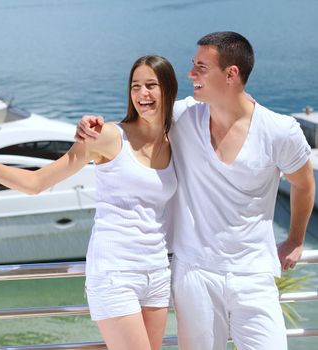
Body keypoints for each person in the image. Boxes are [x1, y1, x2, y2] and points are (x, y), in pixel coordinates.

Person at [75, 31, 315, 350]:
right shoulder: (184, 116)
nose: (191, 74)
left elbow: (303, 183)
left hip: (254, 274)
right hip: (194, 273)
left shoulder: (279, 131)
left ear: (231, 74)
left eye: (201, 67)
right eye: (193, 64)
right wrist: (93, 125)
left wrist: (296, 240)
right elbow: (137, 122)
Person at [0, 55, 178, 350]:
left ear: (168, 90)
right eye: (136, 86)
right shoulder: (108, 137)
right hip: (115, 272)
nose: (142, 94)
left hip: (157, 271)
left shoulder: (174, 140)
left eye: (151, 85)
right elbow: (36, 183)